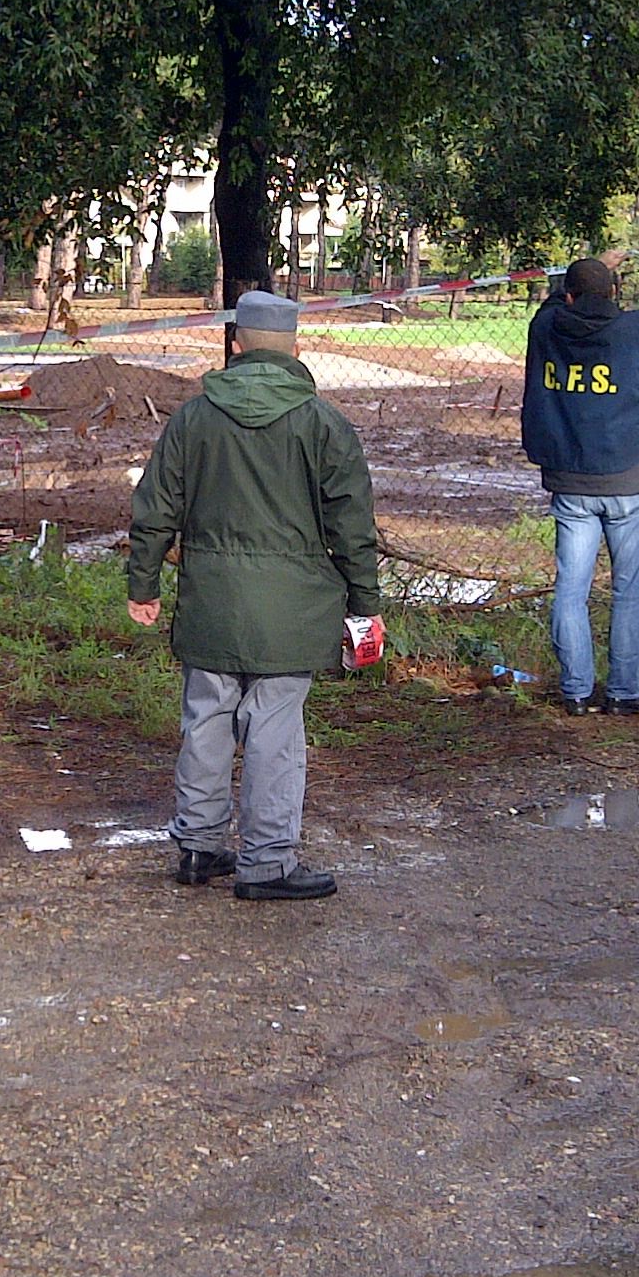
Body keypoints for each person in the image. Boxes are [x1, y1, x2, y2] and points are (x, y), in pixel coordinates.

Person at [125, 289, 380, 901]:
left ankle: (197, 847)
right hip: (290, 614)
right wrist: (365, 604)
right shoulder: (323, 424)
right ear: (294, 347)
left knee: (205, 722)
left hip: (211, 601)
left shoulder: (194, 417)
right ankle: (266, 863)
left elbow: (155, 507)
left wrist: (144, 583)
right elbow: (353, 525)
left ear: (235, 344)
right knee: (274, 731)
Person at [522, 246, 639, 715]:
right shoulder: (634, 330)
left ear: (567, 296)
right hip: (629, 481)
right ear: (615, 293)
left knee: (571, 590)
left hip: (570, 484)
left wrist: (598, 267)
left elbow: (556, 298)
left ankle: (577, 692)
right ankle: (624, 694)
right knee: (630, 590)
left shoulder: (545, 326)